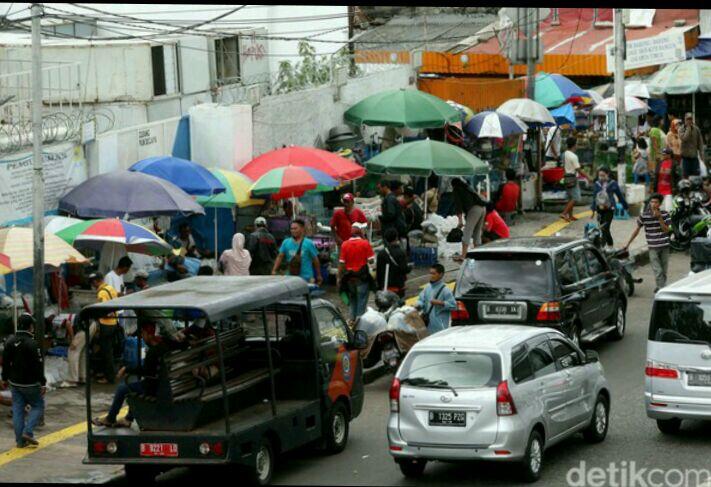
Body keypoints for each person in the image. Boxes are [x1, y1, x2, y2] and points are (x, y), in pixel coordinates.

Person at [92, 322, 169, 428]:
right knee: (134, 387)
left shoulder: (153, 352)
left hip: (154, 388)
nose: (142, 336)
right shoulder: (163, 347)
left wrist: (127, 369)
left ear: (150, 335)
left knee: (123, 388)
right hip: (163, 384)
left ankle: (110, 418)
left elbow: (145, 370)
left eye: (143, 333)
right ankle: (128, 418)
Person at [1, 313, 46, 448]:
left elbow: (6, 363)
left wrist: (4, 379)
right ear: (30, 327)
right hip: (31, 383)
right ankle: (28, 432)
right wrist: (43, 383)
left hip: (14, 383)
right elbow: (38, 366)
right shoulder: (33, 344)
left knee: (18, 410)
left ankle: (20, 442)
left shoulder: (9, 341)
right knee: (38, 406)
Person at [623, 193, 671, 292]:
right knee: (658, 270)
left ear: (660, 204)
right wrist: (628, 244)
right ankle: (662, 289)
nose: (653, 204)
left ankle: (660, 286)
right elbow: (637, 230)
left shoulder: (665, 214)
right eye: (652, 202)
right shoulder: (644, 215)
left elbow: (666, 231)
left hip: (664, 246)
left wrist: (660, 218)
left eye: (656, 202)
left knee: (664, 270)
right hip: (653, 247)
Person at [337, 222, 375, 320]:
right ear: (361, 231)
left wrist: (339, 278)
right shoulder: (365, 243)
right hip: (362, 279)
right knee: (361, 303)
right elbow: (371, 261)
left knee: (352, 302)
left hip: (349, 279)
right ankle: (360, 325)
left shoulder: (344, 244)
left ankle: (352, 323)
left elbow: (341, 264)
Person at [89, 272, 121, 385]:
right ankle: (106, 373)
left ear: (96, 281)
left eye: (92, 283)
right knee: (109, 351)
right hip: (114, 324)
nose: (93, 286)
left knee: (106, 352)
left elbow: (104, 311)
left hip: (106, 325)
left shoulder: (102, 293)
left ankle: (109, 378)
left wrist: (95, 313)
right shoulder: (111, 289)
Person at [272, 219, 322, 285]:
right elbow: (280, 257)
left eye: (295, 228)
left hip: (306, 278)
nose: (293, 231)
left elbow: (316, 260)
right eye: (291, 229)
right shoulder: (286, 242)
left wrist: (319, 275)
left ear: (302, 229)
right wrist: (274, 270)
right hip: (290, 278)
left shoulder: (309, 243)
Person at [451, 177, 487, 262]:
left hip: (474, 209)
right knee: (477, 233)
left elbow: (458, 206)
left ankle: (463, 255)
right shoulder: (467, 187)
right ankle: (478, 255)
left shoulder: (457, 190)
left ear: (453, 185)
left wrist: (460, 221)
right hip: (482, 208)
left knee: (467, 231)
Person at [591, 167, 628, 247]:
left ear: (607, 174)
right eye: (599, 175)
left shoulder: (613, 183)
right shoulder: (597, 184)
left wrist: (625, 206)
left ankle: (602, 247)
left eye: (603, 175)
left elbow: (619, 196)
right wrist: (593, 210)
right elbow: (594, 197)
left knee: (605, 228)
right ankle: (610, 245)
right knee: (603, 228)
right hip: (600, 209)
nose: (601, 177)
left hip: (610, 209)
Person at [416, 264, 457, 334]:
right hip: (427, 325)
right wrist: (418, 305)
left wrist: (440, 303)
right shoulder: (427, 287)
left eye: (434, 273)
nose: (431, 275)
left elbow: (454, 306)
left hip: (440, 329)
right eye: (430, 273)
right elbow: (421, 299)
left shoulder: (445, 290)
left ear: (441, 275)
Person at [561, 137, 591, 222]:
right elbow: (578, 169)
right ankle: (564, 213)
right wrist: (588, 177)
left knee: (570, 197)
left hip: (566, 177)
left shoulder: (564, 154)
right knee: (576, 197)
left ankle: (570, 216)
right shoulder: (573, 156)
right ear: (574, 145)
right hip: (572, 178)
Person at [64, 314, 97, 387]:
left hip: (84, 326)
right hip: (92, 324)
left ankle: (72, 380)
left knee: (73, 351)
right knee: (82, 351)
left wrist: (73, 340)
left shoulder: (57, 318)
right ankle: (82, 377)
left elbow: (68, 324)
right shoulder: (71, 313)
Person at [376, 228, 409, 298]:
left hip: (385, 285)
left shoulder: (381, 253)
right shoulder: (401, 252)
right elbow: (404, 269)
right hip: (398, 285)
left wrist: (379, 286)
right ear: (396, 238)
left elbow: (378, 271)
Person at [679, 112, 705, 179]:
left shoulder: (696, 129)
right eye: (688, 119)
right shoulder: (681, 129)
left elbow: (700, 143)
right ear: (685, 119)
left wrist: (702, 156)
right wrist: (688, 128)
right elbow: (684, 138)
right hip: (685, 158)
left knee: (696, 177)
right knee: (686, 177)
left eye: (690, 119)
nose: (689, 121)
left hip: (694, 158)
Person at [656, 148, 675, 212]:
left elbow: (677, 177)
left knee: (668, 210)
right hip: (659, 190)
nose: (663, 156)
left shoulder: (674, 164)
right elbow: (656, 176)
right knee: (660, 211)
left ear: (669, 155)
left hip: (669, 191)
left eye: (665, 154)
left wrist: (675, 189)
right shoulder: (660, 163)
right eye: (663, 154)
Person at [648, 116, 666, 182]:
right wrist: (659, 154)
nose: (663, 121)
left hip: (661, 155)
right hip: (657, 157)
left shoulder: (659, 130)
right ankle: (654, 190)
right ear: (658, 121)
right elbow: (654, 144)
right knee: (656, 174)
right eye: (662, 120)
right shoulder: (655, 130)